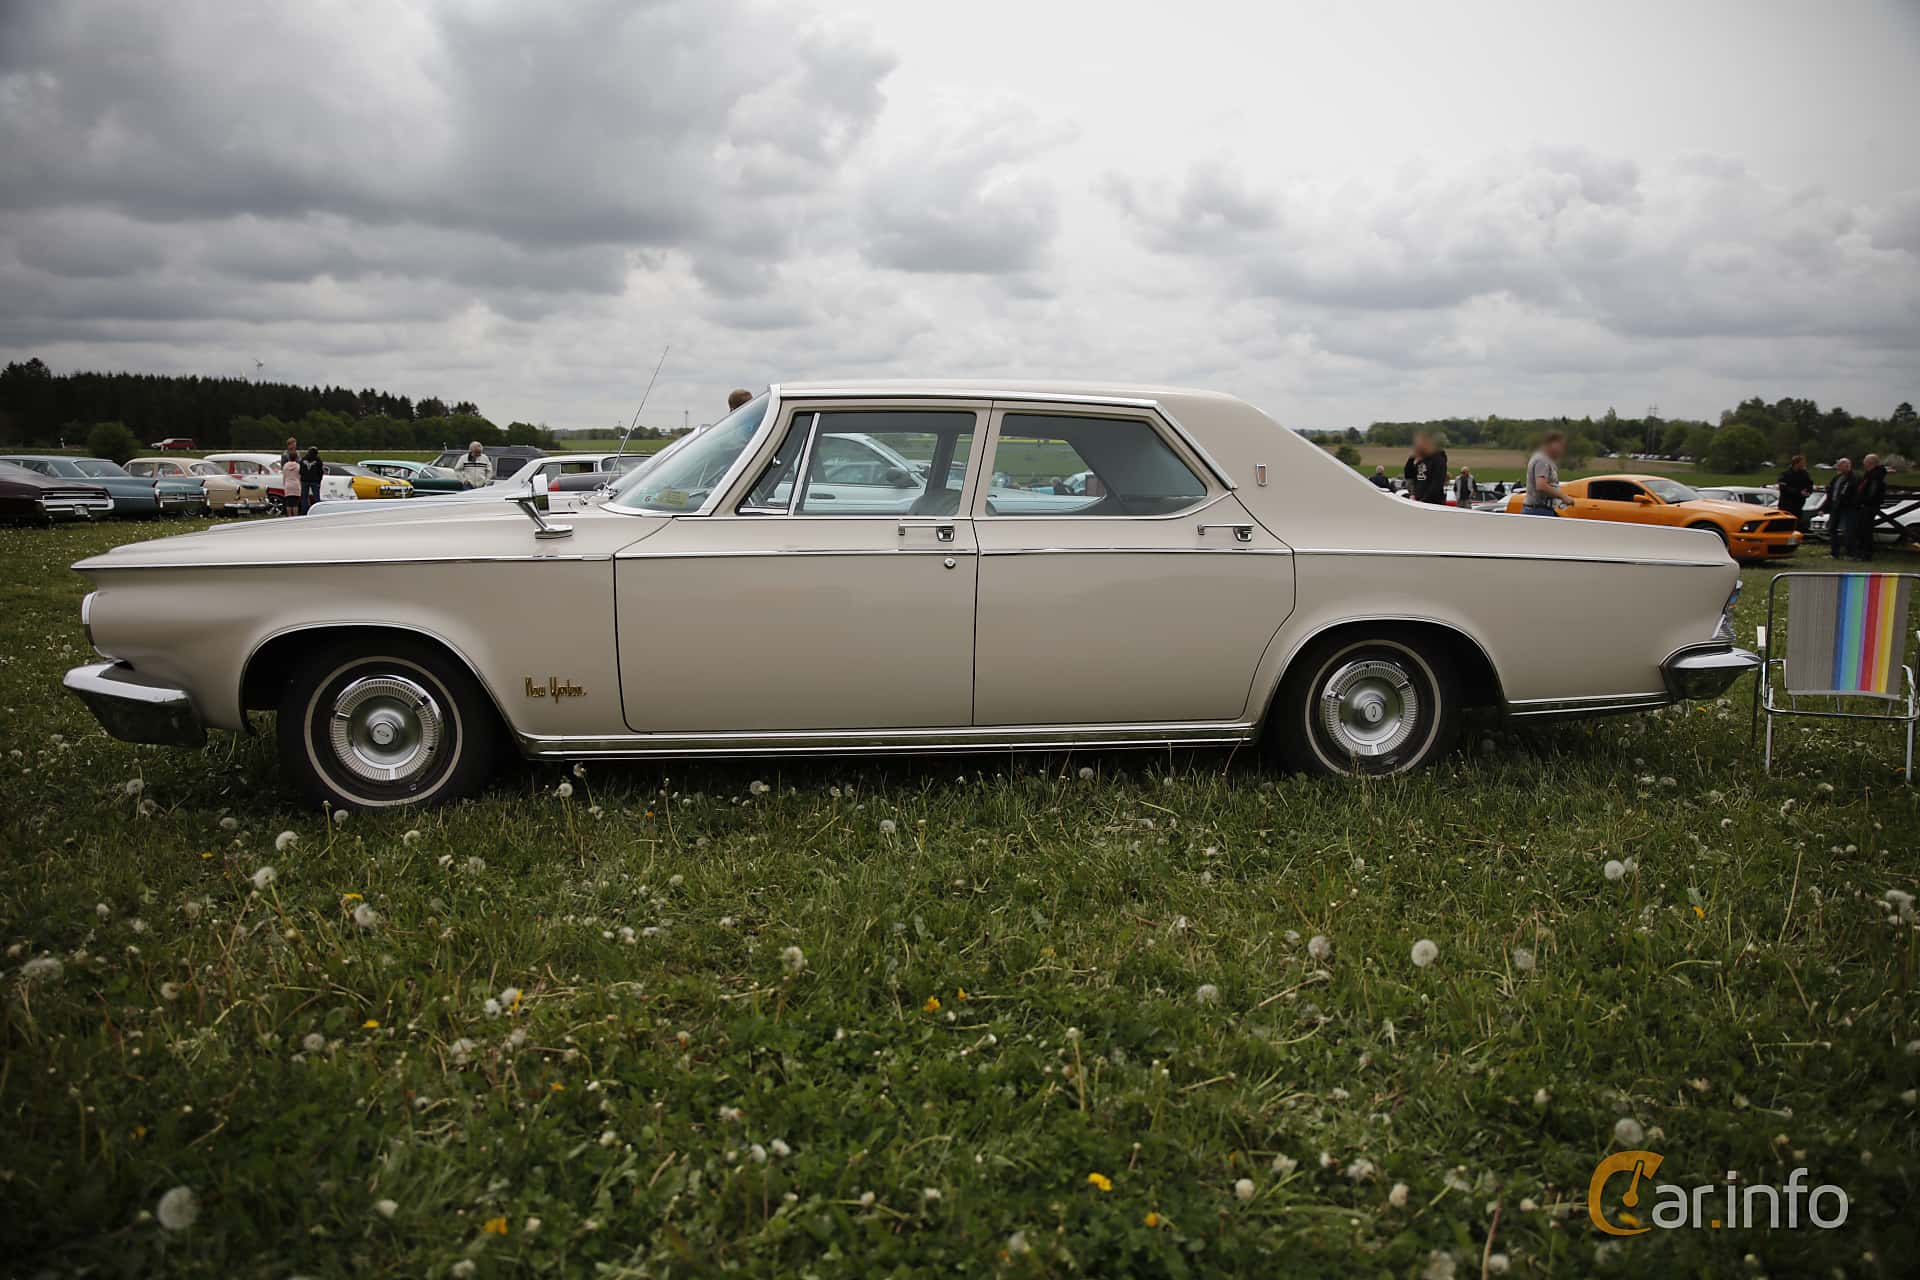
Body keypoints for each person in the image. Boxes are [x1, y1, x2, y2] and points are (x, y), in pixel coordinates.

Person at [1522, 431, 1574, 516]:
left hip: (1541, 510)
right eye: (1560, 445)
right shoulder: (1542, 460)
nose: (1562, 449)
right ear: (1552, 444)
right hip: (1538, 511)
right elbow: (1541, 486)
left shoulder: (1545, 460)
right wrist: (1563, 497)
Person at [1852, 453, 1888, 561]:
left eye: (1865, 461)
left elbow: (1872, 492)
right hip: (1865, 505)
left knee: (1866, 530)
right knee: (1861, 529)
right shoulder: (1869, 474)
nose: (1863, 463)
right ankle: (1861, 552)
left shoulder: (1875, 476)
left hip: (1869, 506)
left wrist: (1863, 501)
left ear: (1870, 463)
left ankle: (1866, 554)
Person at [1403, 431, 1449, 504]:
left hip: (1432, 503)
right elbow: (1408, 475)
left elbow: (1436, 484)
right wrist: (1411, 458)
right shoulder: (1421, 460)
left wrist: (1424, 501)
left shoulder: (1439, 460)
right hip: (1419, 501)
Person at [1824, 458, 1856, 558]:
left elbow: (1852, 494)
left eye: (1840, 465)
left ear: (1847, 466)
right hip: (1835, 507)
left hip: (1847, 508)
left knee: (1848, 531)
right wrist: (1825, 507)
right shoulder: (1837, 478)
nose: (1838, 467)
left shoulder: (1854, 478)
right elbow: (1830, 493)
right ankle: (1834, 552)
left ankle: (1850, 553)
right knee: (1832, 529)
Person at [1776, 454, 1815, 531]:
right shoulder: (1785, 474)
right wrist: (1798, 492)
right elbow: (1783, 488)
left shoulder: (1805, 474)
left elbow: (1809, 484)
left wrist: (1809, 492)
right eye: (1802, 463)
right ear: (1796, 463)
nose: (1804, 465)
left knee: (1797, 524)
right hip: (1786, 504)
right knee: (1786, 524)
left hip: (1799, 504)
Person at [298, 447, 324, 514]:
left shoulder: (303, 459)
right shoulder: (318, 460)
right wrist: (319, 480)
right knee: (316, 497)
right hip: (315, 480)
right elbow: (320, 471)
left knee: (304, 497)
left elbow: (300, 470)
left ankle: (304, 511)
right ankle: (318, 511)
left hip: (304, 480)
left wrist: (302, 477)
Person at [280, 438, 301, 516]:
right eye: (294, 444)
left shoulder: (297, 453)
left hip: (288, 481)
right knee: (295, 502)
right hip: (295, 480)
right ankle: (295, 516)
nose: (295, 446)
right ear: (290, 444)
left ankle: (289, 516)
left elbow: (283, 467)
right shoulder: (285, 454)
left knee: (289, 501)